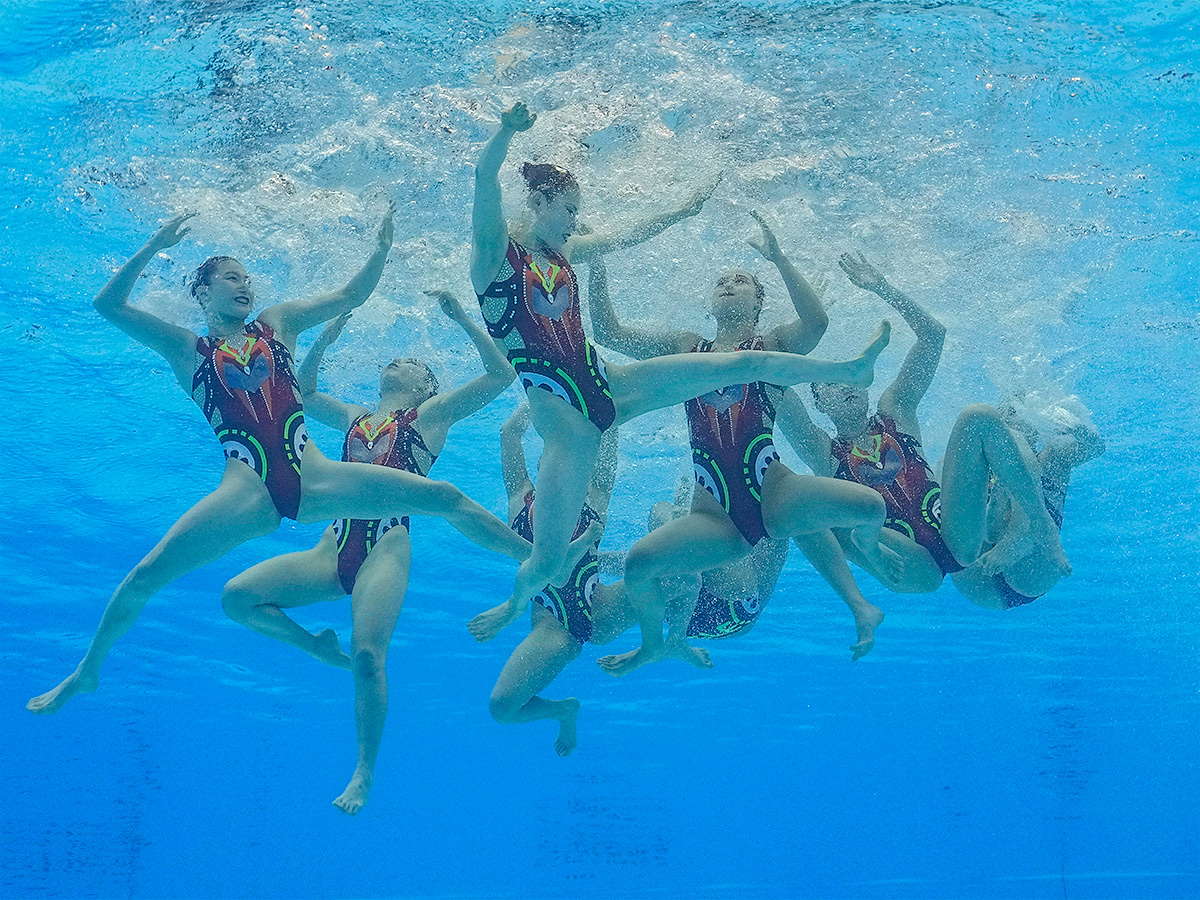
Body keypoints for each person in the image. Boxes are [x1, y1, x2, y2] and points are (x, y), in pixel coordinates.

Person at [27, 208, 539, 716]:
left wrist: (379, 251)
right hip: (245, 493)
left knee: (446, 497)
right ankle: (87, 670)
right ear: (203, 292)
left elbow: (349, 296)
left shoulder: (278, 325)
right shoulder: (187, 349)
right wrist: (154, 245)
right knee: (146, 576)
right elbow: (107, 304)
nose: (244, 285)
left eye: (247, 278)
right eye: (231, 277)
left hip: (315, 478)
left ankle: (535, 558)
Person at [469, 102, 891, 640]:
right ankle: (511, 610)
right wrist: (505, 131)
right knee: (547, 563)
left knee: (735, 363)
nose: (576, 222)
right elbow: (484, 179)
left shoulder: (564, 253)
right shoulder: (492, 258)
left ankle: (849, 369)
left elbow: (627, 235)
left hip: (610, 387)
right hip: (569, 429)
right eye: (569, 209)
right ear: (538, 203)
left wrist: (682, 211)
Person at [219, 289, 514, 815]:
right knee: (238, 598)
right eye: (394, 359)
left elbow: (499, 376)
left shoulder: (431, 416)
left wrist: (463, 318)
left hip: (386, 550)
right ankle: (316, 648)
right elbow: (302, 390)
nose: (399, 362)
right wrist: (326, 338)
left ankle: (363, 772)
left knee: (367, 658)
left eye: (414, 364)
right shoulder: (356, 414)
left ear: (427, 386)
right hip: (329, 550)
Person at [587, 211, 895, 674]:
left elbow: (816, 324)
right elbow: (610, 332)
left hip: (769, 507)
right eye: (722, 282)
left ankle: (862, 594)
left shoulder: (770, 346)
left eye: (743, 281)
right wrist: (597, 259)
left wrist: (778, 258)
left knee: (871, 507)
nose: (729, 284)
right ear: (711, 305)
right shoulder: (689, 350)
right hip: (716, 522)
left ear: (757, 304)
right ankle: (655, 646)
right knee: (640, 562)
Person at [773, 251, 1073, 598]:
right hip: (906, 567)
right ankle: (866, 542)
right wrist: (796, 329)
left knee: (979, 416)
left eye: (851, 376)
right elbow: (772, 384)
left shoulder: (895, 410)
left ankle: (1040, 525)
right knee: (806, 502)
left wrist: (882, 287)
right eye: (831, 384)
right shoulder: (822, 450)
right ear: (820, 404)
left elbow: (933, 335)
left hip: (956, 536)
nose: (846, 387)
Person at [473, 404, 623, 756]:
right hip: (557, 632)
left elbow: (610, 428)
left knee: (664, 570)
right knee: (502, 709)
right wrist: (540, 395)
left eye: (576, 466)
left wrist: (604, 399)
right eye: (555, 462)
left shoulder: (595, 497)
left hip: (600, 607)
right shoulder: (519, 500)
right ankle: (562, 710)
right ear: (541, 466)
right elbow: (509, 432)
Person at [946, 406, 1103, 608]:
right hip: (1014, 577)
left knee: (1052, 454)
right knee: (1053, 455)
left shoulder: (981, 438)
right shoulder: (997, 438)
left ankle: (1014, 528)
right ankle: (1018, 530)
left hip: (978, 574)